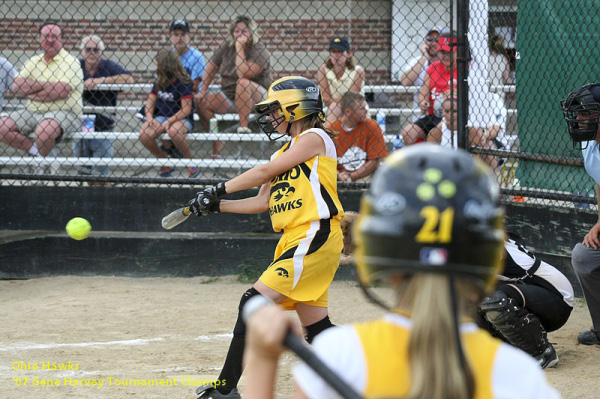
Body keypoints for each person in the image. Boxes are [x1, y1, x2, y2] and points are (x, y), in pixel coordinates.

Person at [244, 144, 560, 399]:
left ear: (379, 254)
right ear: (486, 256)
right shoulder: (517, 375)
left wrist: (261, 359)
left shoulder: (341, 355)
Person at [188, 76, 344, 399]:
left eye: (276, 109)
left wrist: (219, 188)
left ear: (295, 107)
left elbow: (260, 174)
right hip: (295, 239)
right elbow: (262, 202)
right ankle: (373, 362)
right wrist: (219, 206)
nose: (271, 117)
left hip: (315, 234)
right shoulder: (284, 153)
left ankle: (225, 389)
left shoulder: (315, 138)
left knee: (252, 302)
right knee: (318, 331)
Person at [479, 232, 574, 369]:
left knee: (492, 298)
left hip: (558, 299)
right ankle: (499, 347)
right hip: (530, 297)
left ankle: (541, 353)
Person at [0, 23, 83, 158]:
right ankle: (35, 152)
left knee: (44, 132)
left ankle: (41, 163)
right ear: (40, 39)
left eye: (54, 36)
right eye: (46, 36)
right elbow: (17, 85)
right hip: (32, 111)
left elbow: (61, 91)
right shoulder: (33, 61)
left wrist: (33, 92)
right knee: (2, 126)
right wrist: (48, 86)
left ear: (61, 39)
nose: (50, 40)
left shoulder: (70, 61)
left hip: (64, 112)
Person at [561, 83, 600, 346]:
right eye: (578, 114)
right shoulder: (590, 147)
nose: (578, 120)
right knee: (584, 256)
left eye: (586, 114)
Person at [196, 15, 272, 144]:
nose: (240, 35)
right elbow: (211, 68)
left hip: (258, 99)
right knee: (201, 102)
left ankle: (243, 128)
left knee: (242, 83)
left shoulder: (259, 50)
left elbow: (243, 74)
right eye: (237, 31)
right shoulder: (226, 47)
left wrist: (240, 49)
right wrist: (203, 90)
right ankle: (215, 137)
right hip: (230, 96)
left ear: (251, 33)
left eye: (244, 31)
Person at [76, 34, 134, 179]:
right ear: (81, 51)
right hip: (79, 127)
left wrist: (101, 81)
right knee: (82, 174)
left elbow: (129, 79)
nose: (91, 53)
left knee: (99, 176)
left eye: (96, 50)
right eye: (88, 49)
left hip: (103, 129)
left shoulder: (108, 66)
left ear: (101, 52)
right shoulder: (74, 65)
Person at [138, 49, 197, 178]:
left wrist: (170, 121)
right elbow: (150, 103)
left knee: (174, 132)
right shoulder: (160, 80)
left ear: (166, 65)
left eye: (159, 64)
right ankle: (165, 161)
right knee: (144, 134)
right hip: (162, 117)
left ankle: (191, 163)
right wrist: (149, 118)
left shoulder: (183, 81)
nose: (157, 67)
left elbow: (186, 109)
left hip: (182, 118)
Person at [401, 32, 457, 146]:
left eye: (449, 52)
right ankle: (420, 162)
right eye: (442, 52)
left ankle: (435, 160)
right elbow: (423, 93)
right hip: (434, 115)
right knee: (408, 132)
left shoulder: (465, 68)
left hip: (454, 116)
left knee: (436, 132)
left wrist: (454, 94)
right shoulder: (433, 67)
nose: (445, 56)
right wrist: (423, 102)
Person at [161, 18, 206, 158]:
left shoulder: (196, 57)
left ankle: (179, 154)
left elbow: (194, 87)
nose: (180, 38)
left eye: (183, 34)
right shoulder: (168, 56)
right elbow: (161, 83)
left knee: (173, 130)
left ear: (189, 36)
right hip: (168, 102)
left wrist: (174, 86)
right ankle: (168, 153)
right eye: (176, 34)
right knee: (150, 127)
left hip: (186, 104)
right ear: (170, 37)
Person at [428, 95, 507, 174]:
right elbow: (430, 159)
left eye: (454, 111)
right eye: (447, 111)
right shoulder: (436, 132)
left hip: (465, 166)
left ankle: (493, 181)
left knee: (488, 146)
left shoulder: (471, 131)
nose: (450, 115)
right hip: (445, 166)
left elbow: (476, 160)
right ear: (442, 111)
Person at [329, 91, 387, 182]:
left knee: (365, 182)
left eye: (365, 107)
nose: (366, 110)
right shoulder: (332, 129)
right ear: (348, 112)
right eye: (361, 108)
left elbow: (374, 162)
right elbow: (324, 160)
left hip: (363, 174)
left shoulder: (372, 126)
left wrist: (351, 176)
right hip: (337, 174)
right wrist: (338, 175)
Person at [399, 26, 442, 141]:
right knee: (409, 135)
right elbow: (405, 81)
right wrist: (424, 58)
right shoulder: (417, 61)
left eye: (437, 40)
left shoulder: (447, 62)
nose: (433, 43)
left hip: (442, 116)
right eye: (429, 39)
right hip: (421, 116)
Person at [317, 37, 365, 125]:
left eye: (340, 51)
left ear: (348, 54)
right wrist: (338, 105)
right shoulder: (323, 70)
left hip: (355, 109)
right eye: (333, 51)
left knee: (336, 107)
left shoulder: (358, 71)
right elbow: (325, 97)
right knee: (334, 108)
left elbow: (351, 98)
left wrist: (337, 104)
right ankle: (330, 136)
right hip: (333, 109)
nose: (336, 55)